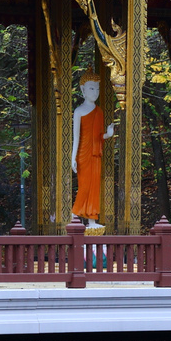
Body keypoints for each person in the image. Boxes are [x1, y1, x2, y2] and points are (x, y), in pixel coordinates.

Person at [70, 72, 115, 227]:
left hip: (96, 154)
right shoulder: (79, 111)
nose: (94, 92)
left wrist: (108, 135)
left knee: (95, 186)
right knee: (84, 185)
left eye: (97, 89)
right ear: (83, 90)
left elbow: (99, 136)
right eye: (91, 88)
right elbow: (76, 137)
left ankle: (92, 219)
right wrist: (73, 158)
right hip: (83, 153)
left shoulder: (99, 112)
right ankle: (73, 214)